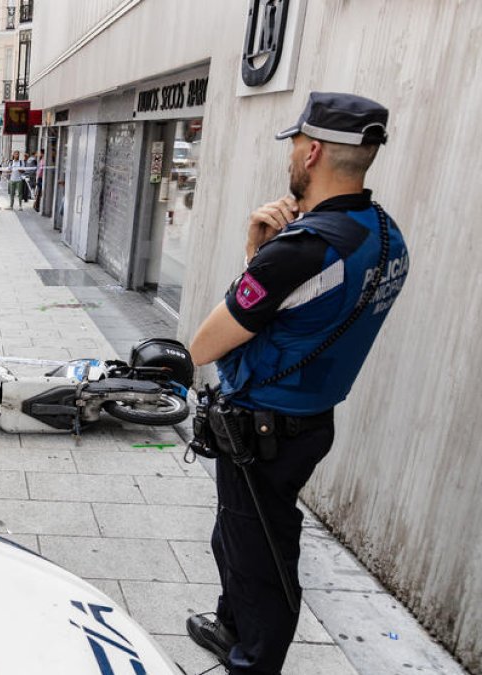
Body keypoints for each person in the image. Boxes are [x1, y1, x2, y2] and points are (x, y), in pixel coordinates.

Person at [186, 92, 409, 675]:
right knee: (238, 538)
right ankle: (230, 625)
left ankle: (252, 661)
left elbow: (205, 344)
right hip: (305, 420)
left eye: (293, 145)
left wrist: (256, 254)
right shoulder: (384, 234)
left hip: (263, 428)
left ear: (311, 152)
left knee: (262, 558)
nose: (289, 156)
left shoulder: (304, 250)